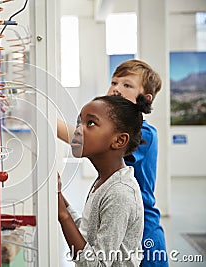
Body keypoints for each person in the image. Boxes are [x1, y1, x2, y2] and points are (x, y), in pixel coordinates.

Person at [58, 59, 168, 266]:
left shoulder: (145, 134)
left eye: (127, 85)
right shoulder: (105, 181)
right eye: (114, 82)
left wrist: (47, 121)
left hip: (143, 236)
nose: (116, 89)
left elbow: (83, 140)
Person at [58, 94, 151, 266]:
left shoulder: (120, 193)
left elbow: (98, 264)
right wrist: (60, 198)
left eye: (90, 123)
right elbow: (88, 233)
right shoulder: (105, 180)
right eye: (79, 122)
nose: (78, 130)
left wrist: (63, 215)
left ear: (119, 140)